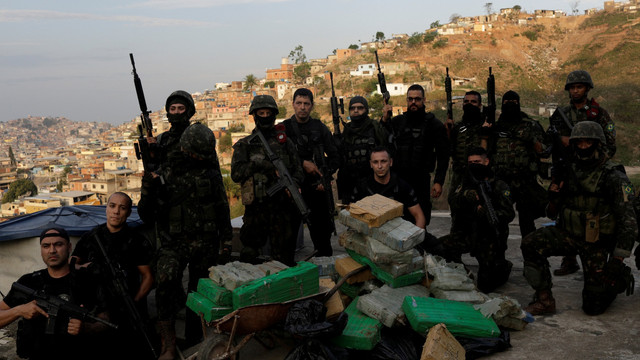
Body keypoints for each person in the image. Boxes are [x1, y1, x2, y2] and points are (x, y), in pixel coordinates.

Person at [521, 122, 636, 316]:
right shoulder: (568, 169)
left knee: (593, 306)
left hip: (597, 242)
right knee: (530, 243)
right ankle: (544, 300)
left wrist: (617, 259)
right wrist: (555, 196)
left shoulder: (613, 176)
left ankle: (619, 280)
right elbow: (551, 213)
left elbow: (628, 221)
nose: (583, 147)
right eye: (579, 142)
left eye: (588, 142)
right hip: (568, 233)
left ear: (598, 144)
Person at [139, 123, 232, 359]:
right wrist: (148, 189)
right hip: (174, 242)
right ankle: (168, 344)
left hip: (206, 241)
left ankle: (196, 338)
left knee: (199, 291)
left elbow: (222, 208)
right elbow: (146, 215)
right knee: (165, 281)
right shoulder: (166, 173)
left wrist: (226, 242)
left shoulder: (210, 173)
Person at [0, 227, 109, 360]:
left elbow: (106, 319)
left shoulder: (87, 280)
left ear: (69, 247)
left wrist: (87, 328)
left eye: (58, 244)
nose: (52, 250)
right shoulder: (28, 282)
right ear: (41, 251)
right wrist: (18, 311)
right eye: (46, 246)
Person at [71, 192, 155, 358]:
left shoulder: (136, 241)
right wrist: (85, 267)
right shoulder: (91, 237)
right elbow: (73, 265)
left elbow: (148, 277)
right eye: (112, 206)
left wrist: (135, 301)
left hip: (125, 306)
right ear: (106, 208)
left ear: (128, 213)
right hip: (95, 307)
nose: (116, 211)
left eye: (122, 208)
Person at [549, 70, 617, 276]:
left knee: (593, 210)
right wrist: (560, 140)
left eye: (579, 87)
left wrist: (594, 159)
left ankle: (596, 255)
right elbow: (549, 139)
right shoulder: (561, 114)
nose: (575, 90)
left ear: (587, 88)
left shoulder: (600, 114)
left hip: (593, 171)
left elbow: (610, 144)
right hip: (568, 168)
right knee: (565, 210)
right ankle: (569, 259)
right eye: (572, 87)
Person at [231, 95, 304, 266]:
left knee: (284, 259)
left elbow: (298, 170)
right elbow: (236, 174)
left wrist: (293, 183)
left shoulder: (285, 143)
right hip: (256, 210)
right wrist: (261, 165)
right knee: (249, 256)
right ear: (254, 115)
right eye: (261, 113)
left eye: (268, 112)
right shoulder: (245, 145)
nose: (265, 116)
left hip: (282, 208)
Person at [438, 147, 515, 293]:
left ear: (486, 162)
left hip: (489, 237)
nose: (474, 165)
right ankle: (461, 271)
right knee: (439, 248)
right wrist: (466, 195)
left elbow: (508, 214)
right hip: (466, 233)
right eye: (471, 162)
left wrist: (487, 212)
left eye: (478, 162)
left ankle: (503, 267)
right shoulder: (465, 181)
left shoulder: (499, 185)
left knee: (485, 286)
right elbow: (453, 201)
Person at [283, 88, 340, 257]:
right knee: (288, 238)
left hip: (317, 190)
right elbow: (278, 158)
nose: (302, 107)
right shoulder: (285, 128)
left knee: (322, 240)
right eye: (299, 103)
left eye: (306, 104)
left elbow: (335, 156)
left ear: (312, 106)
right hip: (293, 189)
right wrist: (302, 163)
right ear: (293, 104)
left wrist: (326, 178)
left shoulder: (319, 128)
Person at [381, 84, 449, 226]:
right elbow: (382, 141)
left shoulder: (434, 125)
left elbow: (443, 155)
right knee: (397, 221)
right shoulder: (397, 122)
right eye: (410, 99)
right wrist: (384, 120)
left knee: (420, 221)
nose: (413, 102)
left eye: (417, 99)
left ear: (424, 100)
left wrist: (438, 181)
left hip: (421, 180)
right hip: (398, 180)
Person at [489, 90, 548, 238]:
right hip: (502, 181)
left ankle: (531, 258)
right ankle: (498, 257)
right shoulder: (496, 127)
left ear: (519, 104)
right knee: (500, 218)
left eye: (514, 102)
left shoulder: (530, 125)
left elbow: (544, 150)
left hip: (524, 181)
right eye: (506, 102)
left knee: (527, 221)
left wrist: (531, 139)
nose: (510, 105)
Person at [350, 146, 426, 229]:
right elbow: (352, 215)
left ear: (390, 162)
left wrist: (414, 238)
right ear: (371, 164)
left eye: (383, 161)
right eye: (375, 162)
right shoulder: (362, 187)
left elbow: (419, 216)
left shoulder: (402, 186)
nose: (379, 166)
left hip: (399, 232)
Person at [335, 96, 389, 203]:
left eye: (360, 108)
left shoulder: (375, 128)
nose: (356, 111)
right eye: (352, 108)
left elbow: (386, 148)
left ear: (366, 110)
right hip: (350, 183)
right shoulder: (346, 131)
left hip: (372, 182)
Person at [447, 90, 490, 205]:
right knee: (455, 203)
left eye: (473, 102)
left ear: (480, 105)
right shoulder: (458, 128)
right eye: (466, 101)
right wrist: (448, 130)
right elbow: (449, 148)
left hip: (480, 176)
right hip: (460, 175)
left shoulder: (486, 126)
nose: (469, 104)